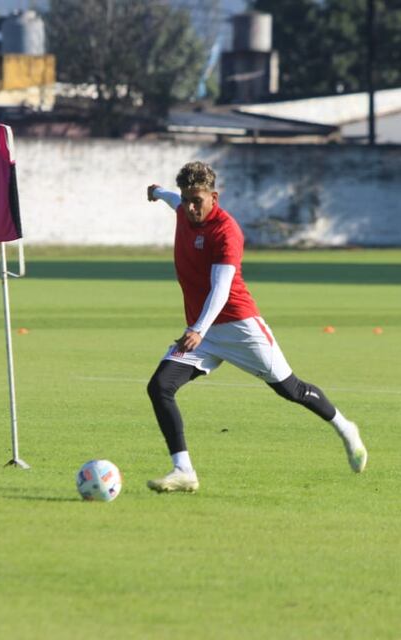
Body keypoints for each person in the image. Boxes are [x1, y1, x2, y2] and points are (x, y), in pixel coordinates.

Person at [144, 161, 368, 493]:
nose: (191, 208)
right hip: (203, 333)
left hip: (239, 327)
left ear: (214, 196)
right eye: (187, 199)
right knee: (160, 386)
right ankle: (184, 471)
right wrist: (157, 192)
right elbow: (173, 201)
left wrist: (199, 328)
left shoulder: (227, 230)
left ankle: (346, 427)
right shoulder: (183, 209)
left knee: (290, 389)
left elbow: (221, 289)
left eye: (198, 201)